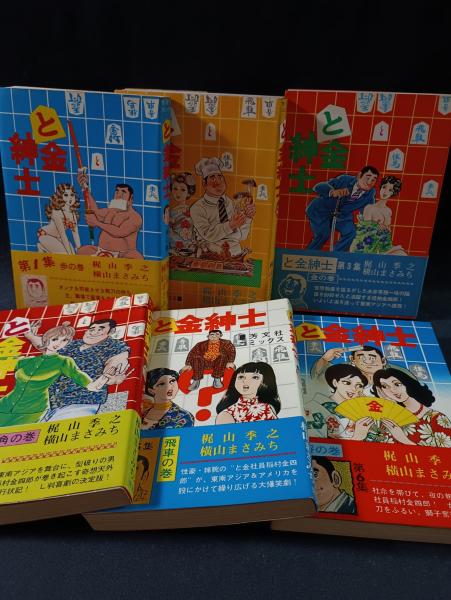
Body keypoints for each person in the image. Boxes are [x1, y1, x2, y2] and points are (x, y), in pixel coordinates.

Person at [0, 323, 115, 427]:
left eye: (64, 340)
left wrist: (103, 379)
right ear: (46, 339)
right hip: (5, 404)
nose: (58, 343)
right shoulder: (25, 361)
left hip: (31, 411)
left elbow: (83, 380)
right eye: (54, 339)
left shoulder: (64, 361)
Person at [24, 318, 131, 420]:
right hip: (50, 402)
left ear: (111, 331)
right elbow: (48, 347)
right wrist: (30, 335)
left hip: (81, 402)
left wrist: (113, 374)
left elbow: (117, 361)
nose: (94, 332)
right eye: (92, 329)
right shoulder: (74, 344)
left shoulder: (114, 346)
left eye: (100, 329)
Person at [190, 157, 256, 258]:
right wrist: (230, 225)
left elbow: (242, 236)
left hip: (235, 254)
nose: (218, 182)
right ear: (204, 184)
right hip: (210, 255)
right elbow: (208, 234)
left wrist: (247, 218)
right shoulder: (197, 208)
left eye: (220, 177)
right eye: (212, 177)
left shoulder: (231, 203)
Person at [306, 165, 379, 251]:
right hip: (321, 210)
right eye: (368, 177)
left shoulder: (370, 193)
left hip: (342, 216)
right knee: (323, 234)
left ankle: (336, 254)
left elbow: (369, 209)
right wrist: (332, 192)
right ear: (359, 175)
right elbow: (318, 186)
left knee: (351, 233)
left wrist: (374, 222)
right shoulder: (345, 179)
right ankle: (309, 254)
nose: (369, 182)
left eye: (373, 180)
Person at [371, 368, 451, 446]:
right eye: (384, 386)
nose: (392, 390)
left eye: (397, 384)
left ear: (408, 382)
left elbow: (445, 453)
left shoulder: (437, 418)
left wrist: (404, 440)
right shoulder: (387, 419)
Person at [76, 169, 143, 258]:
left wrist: (97, 223)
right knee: (82, 251)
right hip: (102, 252)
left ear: (131, 198)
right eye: (117, 191)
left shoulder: (135, 217)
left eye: (123, 192)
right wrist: (85, 188)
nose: (119, 194)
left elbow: (120, 232)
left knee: (136, 256)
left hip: (122, 255)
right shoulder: (111, 211)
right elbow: (95, 213)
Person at [306, 364, 369, 439]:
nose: (354, 389)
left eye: (359, 385)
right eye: (347, 383)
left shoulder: (357, 411)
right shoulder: (315, 407)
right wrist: (357, 437)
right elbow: (313, 441)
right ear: (335, 382)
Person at [350, 175, 406, 254]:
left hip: (381, 245)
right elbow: (364, 232)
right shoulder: (369, 207)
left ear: (393, 193)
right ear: (380, 188)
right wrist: (376, 226)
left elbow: (387, 233)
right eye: (384, 187)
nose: (385, 192)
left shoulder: (387, 211)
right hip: (365, 245)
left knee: (401, 253)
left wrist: (384, 229)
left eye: (390, 190)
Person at [215, 362, 280, 424]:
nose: (246, 381)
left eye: (255, 377)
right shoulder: (226, 414)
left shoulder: (268, 407)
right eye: (241, 377)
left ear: (264, 382)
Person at [311, 345, 386, 393]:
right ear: (352, 359)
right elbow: (317, 378)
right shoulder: (343, 379)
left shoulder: (390, 379)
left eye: (372, 358)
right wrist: (324, 359)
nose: (367, 361)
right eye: (361, 357)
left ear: (383, 361)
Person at [37, 183, 81, 255]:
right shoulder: (56, 212)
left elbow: (76, 234)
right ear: (60, 196)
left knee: (73, 254)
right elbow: (63, 234)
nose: (70, 198)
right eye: (66, 195)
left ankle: (44, 248)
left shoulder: (73, 214)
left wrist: (80, 251)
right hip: (46, 235)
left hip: (59, 238)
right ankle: (42, 247)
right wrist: (70, 255)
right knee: (65, 254)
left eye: (72, 195)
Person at [169, 172, 196, 256]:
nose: (178, 193)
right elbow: (169, 232)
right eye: (175, 188)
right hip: (174, 248)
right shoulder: (170, 212)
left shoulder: (192, 210)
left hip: (190, 248)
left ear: (189, 192)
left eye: (183, 190)